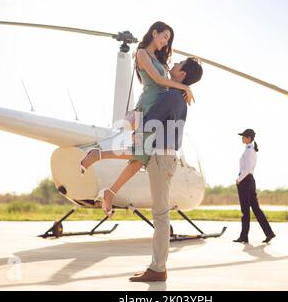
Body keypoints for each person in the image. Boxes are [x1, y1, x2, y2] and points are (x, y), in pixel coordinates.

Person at [79, 21, 202, 216]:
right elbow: (160, 81)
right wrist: (185, 87)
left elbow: (170, 79)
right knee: (139, 152)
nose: (166, 42)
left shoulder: (158, 58)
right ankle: (97, 156)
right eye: (164, 36)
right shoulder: (142, 53)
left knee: (140, 158)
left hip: (156, 107)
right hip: (148, 106)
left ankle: (110, 192)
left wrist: (183, 85)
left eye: (168, 39)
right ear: (154, 33)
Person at [128, 84, 194, 282]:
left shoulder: (170, 96)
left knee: (160, 215)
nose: (173, 66)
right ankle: (157, 267)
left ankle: (158, 268)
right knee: (160, 214)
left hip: (160, 157)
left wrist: (133, 121)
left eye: (178, 65)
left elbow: (149, 123)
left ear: (182, 75)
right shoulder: (180, 97)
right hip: (165, 156)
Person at [233, 129, 276, 244]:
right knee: (256, 209)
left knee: (245, 210)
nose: (242, 138)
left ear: (248, 138)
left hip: (245, 181)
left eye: (243, 136)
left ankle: (244, 236)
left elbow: (247, 169)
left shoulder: (249, 151)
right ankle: (269, 233)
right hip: (249, 181)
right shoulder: (250, 150)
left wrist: (239, 179)